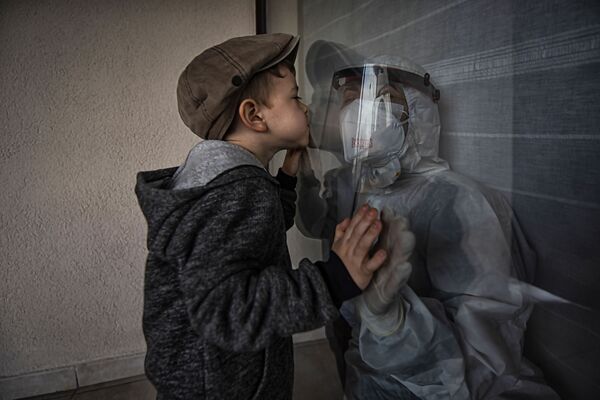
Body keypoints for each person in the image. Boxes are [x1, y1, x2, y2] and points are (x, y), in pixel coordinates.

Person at [134, 33, 396, 399]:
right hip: (225, 388)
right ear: (254, 115)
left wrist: (286, 180)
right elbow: (226, 309)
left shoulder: (223, 181)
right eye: (294, 97)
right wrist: (334, 278)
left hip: (203, 377)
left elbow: (255, 235)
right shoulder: (237, 192)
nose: (306, 108)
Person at [296, 48, 561, 399]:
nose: (358, 112)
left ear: (418, 111)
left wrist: (394, 321)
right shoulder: (361, 188)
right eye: (350, 99)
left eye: (380, 97)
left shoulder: (460, 202)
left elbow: (483, 365)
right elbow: (318, 223)